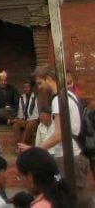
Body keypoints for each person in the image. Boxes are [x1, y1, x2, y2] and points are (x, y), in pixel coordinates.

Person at [33, 64, 92, 207]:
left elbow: (60, 134)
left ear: (48, 79)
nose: (39, 87)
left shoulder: (58, 100)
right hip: (76, 153)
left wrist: (37, 150)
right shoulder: (70, 95)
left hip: (69, 155)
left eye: (40, 83)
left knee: (75, 201)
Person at [11, 79, 39, 146]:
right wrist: (21, 120)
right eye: (24, 87)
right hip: (25, 120)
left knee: (30, 125)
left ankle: (22, 144)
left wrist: (27, 121)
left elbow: (36, 113)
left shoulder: (36, 97)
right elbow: (20, 111)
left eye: (28, 87)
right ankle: (19, 145)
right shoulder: (21, 97)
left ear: (31, 88)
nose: (26, 89)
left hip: (34, 120)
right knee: (15, 125)